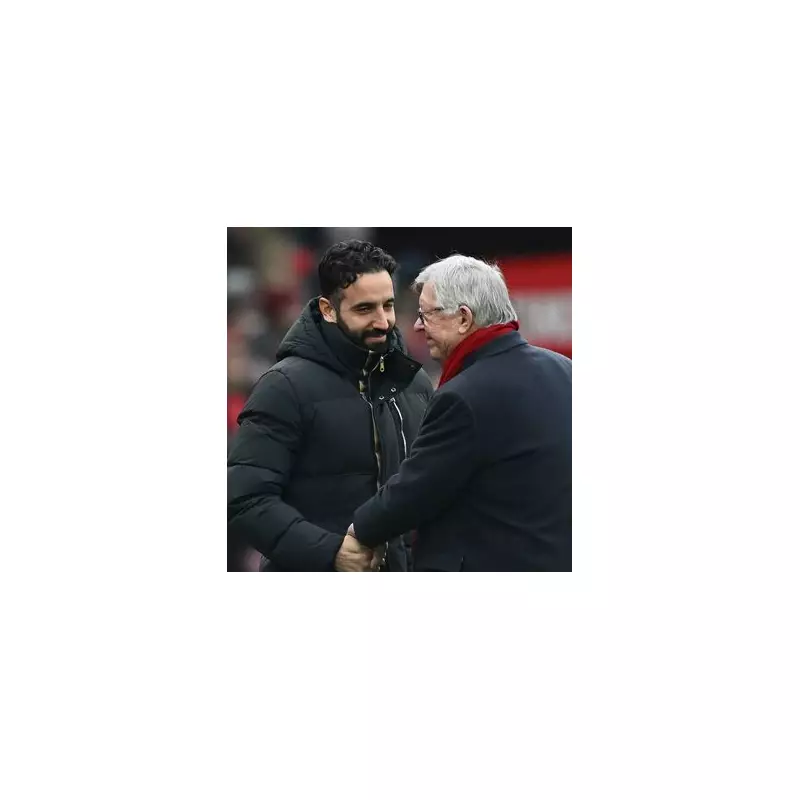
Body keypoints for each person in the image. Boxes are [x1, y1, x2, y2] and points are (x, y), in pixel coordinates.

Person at [346, 254, 572, 571]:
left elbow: (415, 491)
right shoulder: (567, 371)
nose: (417, 326)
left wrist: (358, 533)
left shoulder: (464, 395)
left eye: (426, 314)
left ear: (463, 318)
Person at [227, 240, 435, 571]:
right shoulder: (283, 387)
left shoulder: (415, 383)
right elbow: (244, 498)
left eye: (388, 305)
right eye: (365, 309)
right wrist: (330, 551)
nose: (383, 321)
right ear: (328, 309)